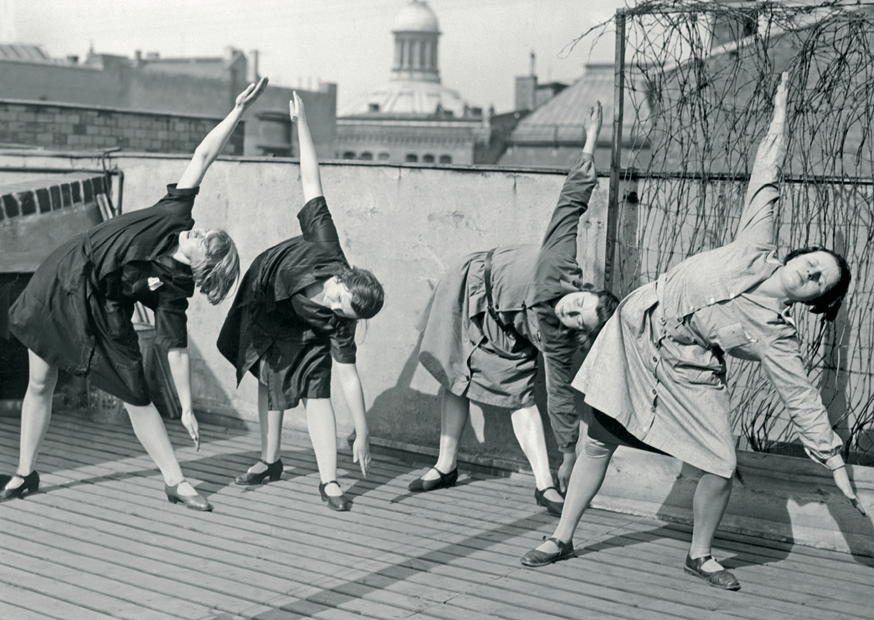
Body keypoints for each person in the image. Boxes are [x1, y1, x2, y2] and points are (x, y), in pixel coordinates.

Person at [520, 73, 863, 590]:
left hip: (690, 371)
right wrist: (779, 116)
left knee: (721, 465)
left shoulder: (776, 332)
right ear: (800, 254)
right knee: (597, 443)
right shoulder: (756, 243)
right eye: (813, 261)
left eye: (819, 282)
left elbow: (800, 395)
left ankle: (700, 556)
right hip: (636, 337)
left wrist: (834, 458)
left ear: (817, 300)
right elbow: (766, 176)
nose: (810, 273)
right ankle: (562, 537)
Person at [1, 78, 269, 510]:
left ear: (206, 266)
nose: (202, 232)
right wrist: (237, 111)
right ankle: (25, 472)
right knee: (39, 382)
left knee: (135, 394)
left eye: (209, 242)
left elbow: (175, 350)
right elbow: (203, 156)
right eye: (208, 233)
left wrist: (186, 407)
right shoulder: (175, 213)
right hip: (63, 277)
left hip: (103, 313)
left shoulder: (175, 291)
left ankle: (176, 481)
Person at [409, 102, 619, 515]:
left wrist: (570, 456)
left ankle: (544, 485)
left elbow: (559, 398)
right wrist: (591, 139)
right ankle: (445, 465)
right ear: (583, 289)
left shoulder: (559, 341)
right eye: (579, 303)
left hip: (508, 330)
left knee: (523, 396)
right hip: (471, 287)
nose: (571, 312)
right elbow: (571, 202)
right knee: (454, 377)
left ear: (580, 332)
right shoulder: (559, 263)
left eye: (579, 319)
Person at [217, 92, 384, 512]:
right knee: (268, 374)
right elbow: (312, 179)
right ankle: (269, 460)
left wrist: (363, 432)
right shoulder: (325, 242)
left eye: (344, 315)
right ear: (343, 279)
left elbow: (350, 378)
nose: (335, 309)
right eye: (338, 301)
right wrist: (301, 123)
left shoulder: (339, 323)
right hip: (266, 298)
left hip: (304, 328)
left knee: (317, 388)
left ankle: (329, 482)